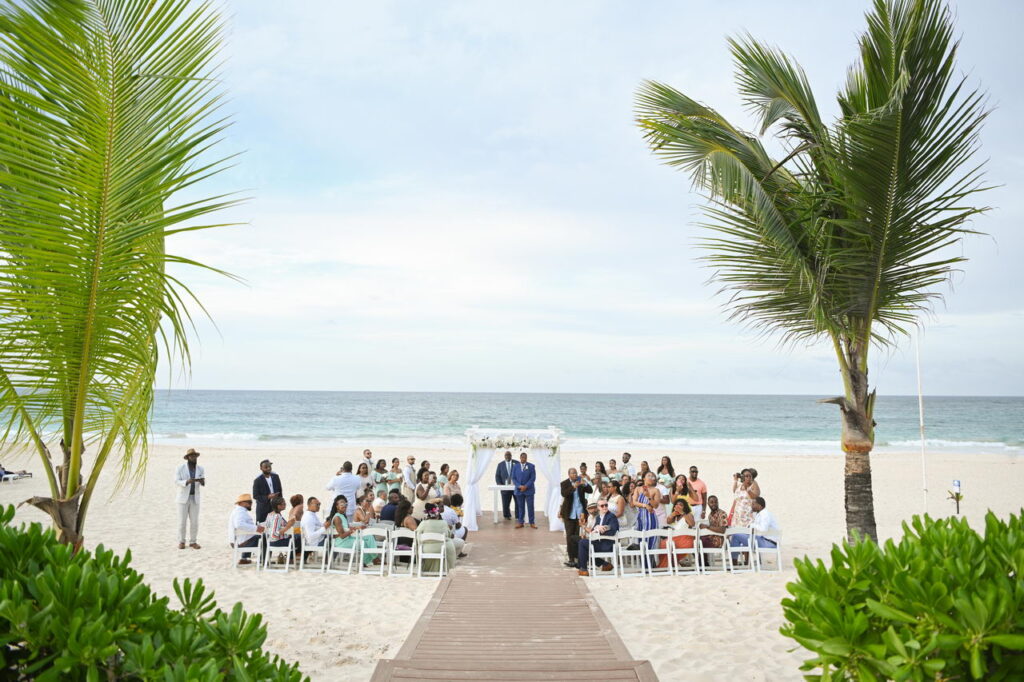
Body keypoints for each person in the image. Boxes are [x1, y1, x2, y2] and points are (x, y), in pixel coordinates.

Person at [327, 495, 379, 567]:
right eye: (342, 504)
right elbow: (342, 536)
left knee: (369, 536)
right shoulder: (337, 517)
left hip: (347, 539)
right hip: (341, 542)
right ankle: (370, 560)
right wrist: (354, 530)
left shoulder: (342, 516)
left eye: (346, 504)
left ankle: (372, 559)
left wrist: (357, 528)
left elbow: (347, 528)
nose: (344, 506)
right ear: (337, 506)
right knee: (363, 543)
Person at [559, 468, 592, 568]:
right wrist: (574, 487)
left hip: (580, 514)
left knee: (577, 536)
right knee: (569, 536)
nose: (575, 475)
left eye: (575, 473)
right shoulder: (564, 483)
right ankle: (571, 559)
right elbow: (564, 494)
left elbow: (590, 490)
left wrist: (584, 483)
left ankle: (578, 557)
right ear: (569, 474)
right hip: (569, 514)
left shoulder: (580, 482)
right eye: (573, 473)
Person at [174, 448, 205, 549]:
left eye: (195, 456)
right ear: (187, 458)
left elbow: (203, 482)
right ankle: (181, 541)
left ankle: (193, 542)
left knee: (195, 521)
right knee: (182, 521)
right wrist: (187, 482)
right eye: (192, 456)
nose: (194, 458)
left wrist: (202, 481)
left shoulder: (200, 468)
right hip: (182, 498)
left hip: (195, 498)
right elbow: (176, 481)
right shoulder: (180, 468)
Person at [577, 500, 618, 576]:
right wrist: (596, 528)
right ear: (598, 507)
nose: (605, 507)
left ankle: (583, 568)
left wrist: (603, 529)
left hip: (608, 544)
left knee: (582, 543)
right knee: (582, 543)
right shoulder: (598, 517)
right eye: (602, 506)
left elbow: (613, 530)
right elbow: (593, 530)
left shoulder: (611, 516)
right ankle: (604, 564)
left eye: (606, 505)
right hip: (599, 542)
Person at [416, 502, 457, 572]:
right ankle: (444, 569)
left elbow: (417, 536)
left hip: (425, 550)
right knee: (449, 543)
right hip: (441, 549)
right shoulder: (443, 523)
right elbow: (448, 535)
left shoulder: (423, 523)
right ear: (437, 513)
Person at [658, 499, 696, 569]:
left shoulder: (688, 514)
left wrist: (682, 513)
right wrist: (673, 514)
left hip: (686, 539)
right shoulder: (676, 517)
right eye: (677, 505)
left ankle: (672, 564)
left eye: (681, 505)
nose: (678, 506)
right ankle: (671, 565)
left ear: (685, 507)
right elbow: (668, 521)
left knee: (668, 545)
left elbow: (692, 524)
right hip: (675, 539)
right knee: (662, 545)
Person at [227, 493, 263, 565]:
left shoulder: (238, 511)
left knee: (257, 536)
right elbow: (239, 525)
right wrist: (256, 528)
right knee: (264, 538)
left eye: (251, 502)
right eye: (249, 502)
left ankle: (244, 559)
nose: (251, 504)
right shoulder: (240, 512)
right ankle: (264, 560)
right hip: (241, 543)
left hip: (237, 541)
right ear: (241, 503)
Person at [632, 472, 660, 548]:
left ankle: (650, 558)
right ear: (644, 478)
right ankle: (642, 559)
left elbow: (656, 505)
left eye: (653, 477)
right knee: (640, 539)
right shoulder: (638, 489)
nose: (651, 478)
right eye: (649, 476)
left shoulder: (656, 490)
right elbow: (634, 502)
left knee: (650, 539)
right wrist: (645, 505)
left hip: (650, 517)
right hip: (640, 517)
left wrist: (648, 496)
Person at [512, 451, 536, 529]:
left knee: (530, 507)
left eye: (525, 457)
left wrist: (525, 486)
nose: (523, 459)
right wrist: (519, 486)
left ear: (526, 458)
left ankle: (532, 522)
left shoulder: (531, 466)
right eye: (522, 457)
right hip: (519, 490)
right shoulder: (516, 466)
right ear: (520, 458)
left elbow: (533, 478)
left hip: (529, 490)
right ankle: (520, 522)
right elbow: (513, 478)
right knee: (520, 507)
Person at [494, 450, 517, 521]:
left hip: (515, 487)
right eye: (506, 455)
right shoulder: (500, 465)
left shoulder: (516, 463)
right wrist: (499, 484)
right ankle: (507, 515)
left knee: (518, 502)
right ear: (504, 456)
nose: (507, 456)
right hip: (504, 487)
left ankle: (518, 515)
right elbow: (497, 476)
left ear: (511, 456)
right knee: (505, 503)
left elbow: (520, 474)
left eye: (509, 455)